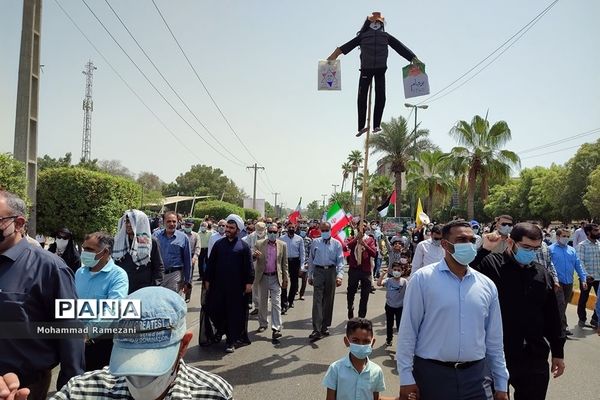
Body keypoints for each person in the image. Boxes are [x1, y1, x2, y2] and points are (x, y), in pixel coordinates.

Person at [51, 286, 233, 399]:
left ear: (183, 345)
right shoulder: (81, 391)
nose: (139, 379)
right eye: (129, 363)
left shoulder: (213, 394)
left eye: (153, 365)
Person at [397, 220, 509, 400]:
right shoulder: (422, 280)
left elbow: (494, 340)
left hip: (477, 378)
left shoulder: (486, 285)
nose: (468, 245)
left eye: (472, 240)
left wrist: (502, 382)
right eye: (461, 240)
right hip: (432, 375)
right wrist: (406, 377)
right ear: (445, 244)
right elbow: (408, 331)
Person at [0, 190, 84, 400]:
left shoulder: (50, 268)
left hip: (25, 388)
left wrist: (71, 390)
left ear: (18, 223)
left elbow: (70, 330)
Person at [474, 222, 565, 400]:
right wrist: (484, 249)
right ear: (510, 242)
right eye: (525, 247)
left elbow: (553, 316)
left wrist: (558, 352)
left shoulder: (541, 273)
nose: (530, 252)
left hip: (534, 357)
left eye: (535, 249)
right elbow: (464, 272)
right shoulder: (491, 265)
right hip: (497, 356)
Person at [327, 12, 419, 137]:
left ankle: (376, 124)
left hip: (380, 70)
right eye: (374, 22)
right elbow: (347, 46)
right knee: (362, 97)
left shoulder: (386, 36)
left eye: (378, 22)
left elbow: (399, 47)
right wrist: (334, 55)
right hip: (366, 70)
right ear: (369, 23)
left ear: (381, 24)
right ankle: (361, 126)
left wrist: (412, 57)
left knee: (381, 96)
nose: (376, 24)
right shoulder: (363, 37)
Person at [76, 232, 129, 371]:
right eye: (84, 248)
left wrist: (87, 333)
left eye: (90, 250)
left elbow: (113, 309)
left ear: (105, 252)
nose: (85, 253)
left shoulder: (118, 276)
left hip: (102, 342)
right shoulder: (80, 273)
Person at [205, 214, 254, 353]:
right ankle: (221, 330)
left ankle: (231, 341)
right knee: (215, 310)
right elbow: (211, 264)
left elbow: (249, 267)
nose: (227, 229)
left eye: (231, 228)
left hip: (236, 288)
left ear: (237, 230)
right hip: (218, 286)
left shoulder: (243, 247)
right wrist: (207, 281)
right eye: (227, 227)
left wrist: (249, 283)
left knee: (234, 314)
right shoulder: (218, 244)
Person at [322, 318, 386, 400]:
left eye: (366, 341)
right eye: (355, 340)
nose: (361, 345)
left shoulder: (377, 371)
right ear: (346, 341)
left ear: (372, 343)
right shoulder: (335, 369)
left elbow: (375, 397)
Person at [308, 222, 345, 341]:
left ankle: (324, 326)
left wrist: (339, 276)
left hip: (331, 272)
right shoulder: (315, 242)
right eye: (322, 230)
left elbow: (340, 261)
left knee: (328, 300)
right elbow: (311, 259)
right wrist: (310, 275)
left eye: (327, 230)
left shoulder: (337, 244)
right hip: (318, 272)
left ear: (330, 230)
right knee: (317, 300)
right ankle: (316, 329)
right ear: (320, 230)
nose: (325, 232)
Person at [253, 224, 289, 344]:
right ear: (267, 232)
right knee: (262, 302)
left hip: (275, 277)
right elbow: (252, 258)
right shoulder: (259, 244)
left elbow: (284, 264)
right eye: (271, 232)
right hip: (263, 277)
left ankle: (276, 328)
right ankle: (263, 323)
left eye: (275, 232)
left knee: (276, 303)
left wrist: (285, 278)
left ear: (278, 232)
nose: (273, 234)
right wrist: (254, 256)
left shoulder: (282, 245)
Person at [113, 210, 164, 294]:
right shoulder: (119, 241)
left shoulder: (151, 242)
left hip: (144, 289)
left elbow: (158, 267)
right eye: (127, 221)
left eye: (132, 222)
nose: (128, 225)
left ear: (140, 223)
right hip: (124, 288)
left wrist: (153, 287)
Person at [549, 228, 587, 335]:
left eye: (567, 236)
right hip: (557, 282)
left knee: (563, 305)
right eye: (563, 236)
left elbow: (578, 265)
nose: (565, 238)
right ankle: (559, 329)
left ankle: (560, 326)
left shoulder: (572, 250)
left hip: (569, 282)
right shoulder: (550, 249)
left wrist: (583, 279)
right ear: (557, 237)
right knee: (560, 304)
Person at [153, 211, 192, 294]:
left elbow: (187, 261)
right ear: (163, 222)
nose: (172, 224)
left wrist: (187, 281)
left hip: (175, 276)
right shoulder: (155, 236)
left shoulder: (183, 238)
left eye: (174, 221)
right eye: (169, 221)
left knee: (172, 303)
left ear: (178, 222)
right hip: (158, 276)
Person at [346, 225, 377, 319]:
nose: (361, 229)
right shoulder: (352, 238)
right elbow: (349, 246)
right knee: (351, 291)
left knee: (365, 295)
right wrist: (356, 238)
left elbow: (374, 253)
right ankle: (350, 308)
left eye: (363, 228)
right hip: (354, 269)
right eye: (360, 227)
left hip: (365, 270)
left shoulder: (370, 239)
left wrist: (365, 245)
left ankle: (361, 317)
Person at [377, 262, 408, 347]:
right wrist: (382, 274)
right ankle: (389, 339)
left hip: (400, 307)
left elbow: (410, 292)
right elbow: (379, 284)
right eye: (395, 270)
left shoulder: (405, 282)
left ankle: (401, 342)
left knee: (400, 326)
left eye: (399, 270)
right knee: (389, 324)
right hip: (389, 306)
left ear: (402, 271)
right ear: (391, 270)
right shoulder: (389, 281)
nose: (396, 272)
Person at [576, 223, 600, 329]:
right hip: (587, 278)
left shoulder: (599, 244)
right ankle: (582, 319)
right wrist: (585, 275)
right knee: (583, 299)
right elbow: (580, 262)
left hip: (598, 277)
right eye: (595, 230)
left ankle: (595, 319)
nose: (598, 232)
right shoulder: (582, 245)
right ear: (588, 232)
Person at [279, 222, 305, 312]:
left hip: (295, 262)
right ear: (286, 228)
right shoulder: (281, 238)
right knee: (284, 282)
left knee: (294, 283)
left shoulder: (299, 239)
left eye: (292, 227)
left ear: (295, 228)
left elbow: (302, 253)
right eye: (289, 227)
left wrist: (302, 266)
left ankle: (291, 300)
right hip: (284, 262)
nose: (291, 229)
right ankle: (284, 303)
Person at [244, 221, 267, 314]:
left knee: (265, 284)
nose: (260, 232)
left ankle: (264, 306)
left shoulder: (269, 236)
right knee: (255, 285)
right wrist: (253, 253)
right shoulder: (251, 236)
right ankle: (257, 306)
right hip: (255, 262)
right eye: (259, 230)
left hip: (266, 263)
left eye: (262, 230)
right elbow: (246, 248)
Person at [299, 223, 312, 300]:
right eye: (301, 229)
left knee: (304, 279)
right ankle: (295, 291)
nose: (303, 231)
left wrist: (309, 262)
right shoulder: (296, 239)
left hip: (306, 262)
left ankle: (301, 294)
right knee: (294, 279)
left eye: (304, 229)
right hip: (297, 262)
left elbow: (311, 252)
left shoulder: (309, 240)